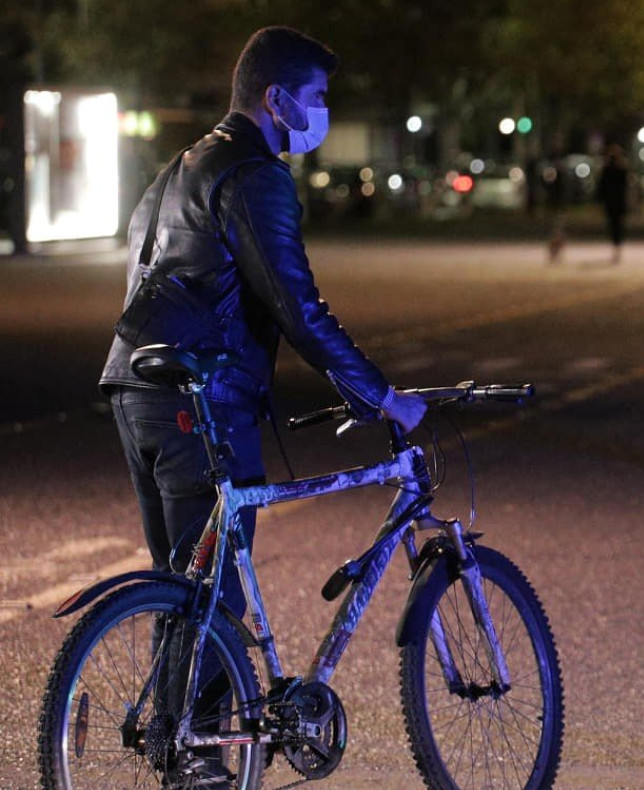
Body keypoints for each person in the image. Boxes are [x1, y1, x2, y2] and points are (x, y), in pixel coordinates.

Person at [98, 27, 426, 782]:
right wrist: (380, 396)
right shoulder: (254, 174)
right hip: (202, 399)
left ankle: (183, 745)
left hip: (136, 389)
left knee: (186, 586)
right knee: (213, 595)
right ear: (277, 99)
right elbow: (298, 306)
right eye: (317, 98)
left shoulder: (177, 169)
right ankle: (200, 760)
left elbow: (145, 281)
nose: (322, 114)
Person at [597, 143, 630, 264]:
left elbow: (602, 187)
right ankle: (616, 246)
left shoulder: (614, 169)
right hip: (615, 202)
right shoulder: (616, 169)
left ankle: (616, 246)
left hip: (614, 202)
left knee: (615, 226)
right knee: (616, 226)